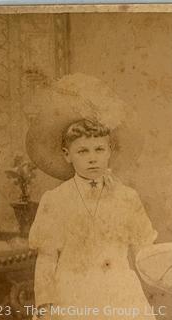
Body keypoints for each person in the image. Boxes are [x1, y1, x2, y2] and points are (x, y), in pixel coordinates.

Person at [27, 74, 158, 320]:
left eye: (99, 149)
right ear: (67, 155)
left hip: (120, 293)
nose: (92, 158)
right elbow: (46, 258)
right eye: (82, 151)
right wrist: (44, 305)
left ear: (110, 151)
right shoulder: (55, 200)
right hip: (73, 294)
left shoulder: (127, 197)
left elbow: (144, 251)